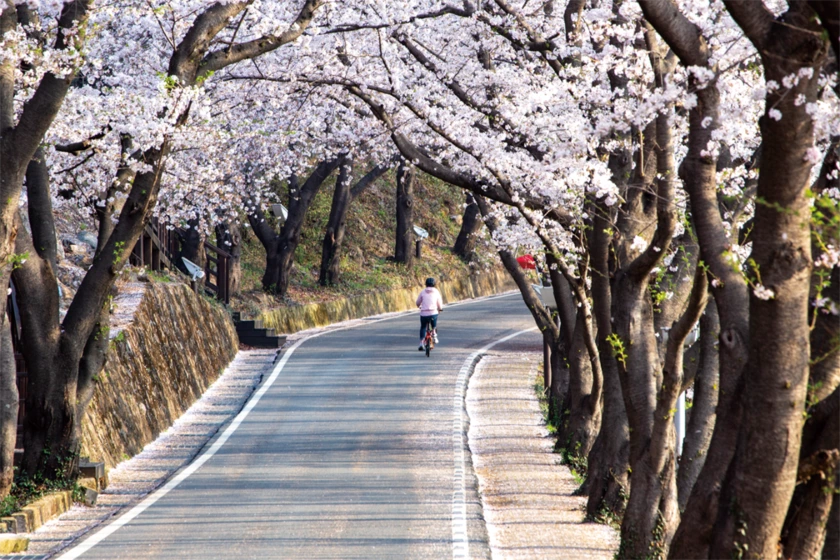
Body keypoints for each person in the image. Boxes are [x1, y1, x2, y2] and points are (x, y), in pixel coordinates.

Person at [416, 277, 443, 351]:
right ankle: (434, 333)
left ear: (426, 284)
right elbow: (439, 303)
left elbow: (418, 302)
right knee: (434, 323)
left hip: (424, 314)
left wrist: (419, 306)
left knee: (423, 327)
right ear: (434, 284)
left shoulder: (422, 292)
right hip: (433, 313)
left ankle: (421, 343)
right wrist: (440, 309)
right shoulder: (436, 292)